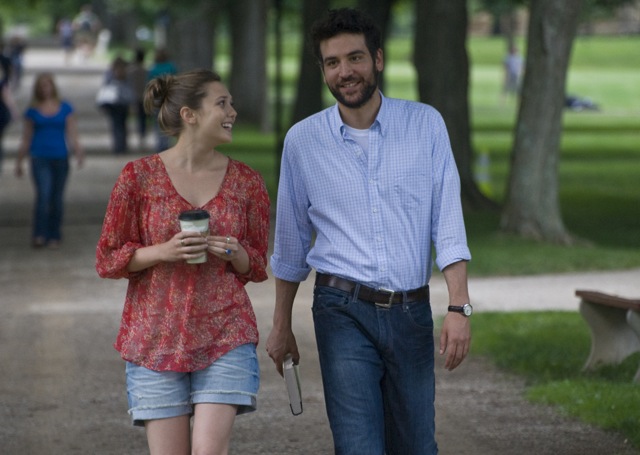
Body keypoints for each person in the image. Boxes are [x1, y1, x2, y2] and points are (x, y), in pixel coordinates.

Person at [265, 8, 472, 455]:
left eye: (355, 58)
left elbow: (448, 223)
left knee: (417, 445)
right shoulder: (302, 142)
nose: (346, 72)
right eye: (333, 63)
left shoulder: (425, 125)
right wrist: (281, 324)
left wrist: (459, 306)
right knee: (359, 445)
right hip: (341, 309)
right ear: (322, 70)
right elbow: (291, 245)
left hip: (411, 310)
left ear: (378, 59)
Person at [95, 69, 270, 455]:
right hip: (154, 339)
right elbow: (108, 258)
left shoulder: (246, 182)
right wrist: (163, 251)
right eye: (221, 103)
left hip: (226, 333)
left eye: (232, 103)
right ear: (189, 115)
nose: (233, 112)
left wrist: (236, 252)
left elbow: (257, 265)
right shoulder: (137, 177)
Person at [15, 73, 84, 248]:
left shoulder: (65, 107)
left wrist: (78, 151)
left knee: (57, 198)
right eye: (42, 86)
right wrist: (19, 161)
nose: (45, 89)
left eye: (47, 85)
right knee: (43, 195)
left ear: (53, 87)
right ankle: (39, 233)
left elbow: (72, 132)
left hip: (60, 157)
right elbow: (26, 137)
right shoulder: (32, 111)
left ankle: (55, 234)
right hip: (39, 158)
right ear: (37, 89)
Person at [99, 56, 133, 154]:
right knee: (123, 125)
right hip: (124, 103)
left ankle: (118, 146)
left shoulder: (109, 74)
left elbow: (105, 87)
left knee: (115, 125)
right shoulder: (126, 74)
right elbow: (130, 88)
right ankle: (122, 145)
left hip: (112, 103)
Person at [147, 48, 178, 152]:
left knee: (157, 122)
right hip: (169, 97)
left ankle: (159, 144)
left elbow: (149, 84)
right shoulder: (171, 67)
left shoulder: (153, 68)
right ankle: (166, 143)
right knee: (168, 121)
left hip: (157, 98)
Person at [127, 48, 149, 150]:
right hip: (144, 97)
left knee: (135, 118)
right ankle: (142, 136)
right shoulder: (146, 70)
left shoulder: (130, 71)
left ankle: (137, 135)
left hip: (133, 97)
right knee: (143, 118)